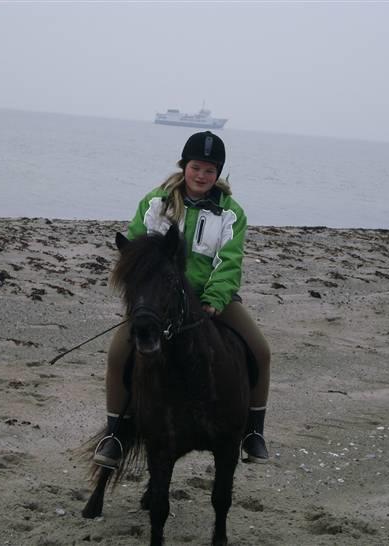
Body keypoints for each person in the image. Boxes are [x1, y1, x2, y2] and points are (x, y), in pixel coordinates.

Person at [94, 131, 271, 469]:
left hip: (209, 299)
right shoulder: (154, 203)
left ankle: (253, 432)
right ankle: (116, 433)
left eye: (209, 170)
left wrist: (216, 300)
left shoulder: (231, 213)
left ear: (217, 173)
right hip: (160, 300)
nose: (202, 176)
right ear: (184, 166)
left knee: (260, 351)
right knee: (119, 354)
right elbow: (134, 251)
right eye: (196, 168)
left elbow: (229, 262)